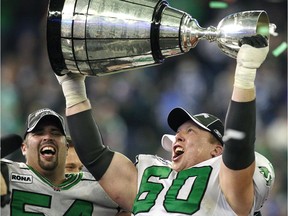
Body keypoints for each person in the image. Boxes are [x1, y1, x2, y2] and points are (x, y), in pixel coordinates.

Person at [56, 35, 275, 215]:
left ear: (217, 150)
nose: (178, 137)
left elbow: (238, 149)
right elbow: (94, 155)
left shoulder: (225, 182)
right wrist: (73, 89)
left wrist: (245, 74)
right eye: (178, 133)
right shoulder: (151, 177)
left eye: (190, 131)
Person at [0, 108, 130, 215]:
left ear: (66, 148)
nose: (47, 137)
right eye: (38, 133)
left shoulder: (101, 188)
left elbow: (140, 201)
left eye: (55, 133)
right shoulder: (7, 173)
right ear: (24, 148)